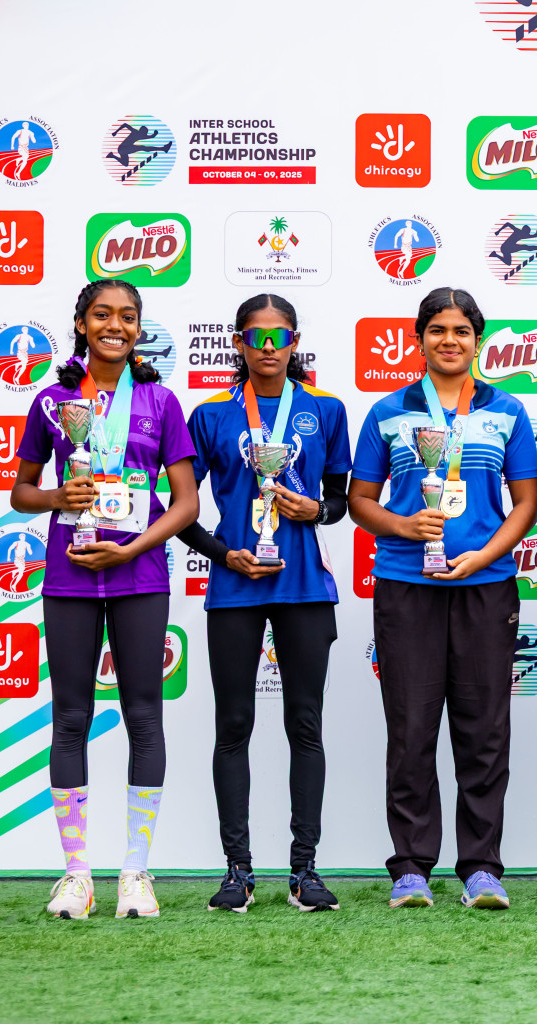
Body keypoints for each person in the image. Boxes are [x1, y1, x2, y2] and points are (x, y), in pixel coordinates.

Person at [11, 281, 198, 920]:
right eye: (102, 315)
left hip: (138, 573)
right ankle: (76, 874)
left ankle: (135, 873)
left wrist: (131, 548)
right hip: (69, 574)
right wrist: (58, 500)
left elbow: (187, 505)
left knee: (144, 715)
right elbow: (21, 492)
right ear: (83, 324)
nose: (114, 325)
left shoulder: (161, 401)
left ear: (139, 329)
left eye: (127, 317)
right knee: (70, 717)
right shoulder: (52, 400)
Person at [350, 287, 537, 910]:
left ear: (476, 339)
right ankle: (410, 867)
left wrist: (486, 554)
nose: (449, 341)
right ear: (420, 338)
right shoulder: (389, 412)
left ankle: (481, 868)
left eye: (461, 330)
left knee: (484, 730)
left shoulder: (506, 411)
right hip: (407, 585)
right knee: (410, 728)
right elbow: (361, 500)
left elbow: (526, 503)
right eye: (437, 330)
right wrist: (403, 527)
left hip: (486, 586)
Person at [178, 294, 352, 913]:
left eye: (280, 338)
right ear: (238, 343)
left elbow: (341, 499)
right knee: (233, 727)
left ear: (296, 341)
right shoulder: (211, 414)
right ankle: (238, 871)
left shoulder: (326, 410)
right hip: (235, 586)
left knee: (305, 725)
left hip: (305, 585)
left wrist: (317, 511)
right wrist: (224, 554)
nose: (269, 348)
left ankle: (304, 871)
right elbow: (181, 510)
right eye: (257, 337)